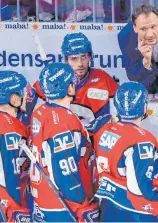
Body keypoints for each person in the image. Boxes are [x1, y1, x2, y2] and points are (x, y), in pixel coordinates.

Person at [90, 81, 158, 222]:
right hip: (133, 211)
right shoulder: (142, 138)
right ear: (144, 106)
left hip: (107, 206)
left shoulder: (104, 129)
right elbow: (140, 189)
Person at [29, 63, 99, 222]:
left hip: (45, 203)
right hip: (64, 209)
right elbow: (64, 171)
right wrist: (80, 208)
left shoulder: (41, 111)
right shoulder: (62, 121)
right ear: (69, 88)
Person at [33, 32, 119, 124]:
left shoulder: (103, 79)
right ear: (66, 60)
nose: (80, 64)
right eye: (74, 58)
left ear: (90, 57)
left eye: (84, 57)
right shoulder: (51, 80)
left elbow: (118, 115)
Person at [0, 71, 31, 222]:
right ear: (14, 99)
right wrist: (13, 207)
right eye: (24, 92)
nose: (28, 96)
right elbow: (9, 173)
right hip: (8, 206)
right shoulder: (12, 127)